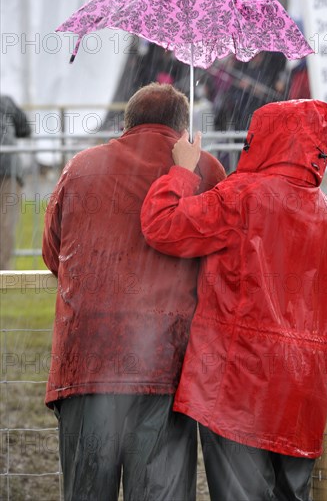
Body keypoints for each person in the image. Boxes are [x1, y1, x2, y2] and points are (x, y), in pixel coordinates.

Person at [141, 99, 327, 501]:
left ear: (266, 139)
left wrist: (182, 170)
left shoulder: (242, 196)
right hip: (302, 389)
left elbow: (162, 225)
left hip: (239, 386)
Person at [42, 83, 225, 501]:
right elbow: (220, 261)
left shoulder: (81, 166)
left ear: (127, 123)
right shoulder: (207, 172)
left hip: (85, 361)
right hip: (164, 365)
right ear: (182, 130)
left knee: (87, 491)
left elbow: (52, 251)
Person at [0, 95, 31, 270]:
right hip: (9, 168)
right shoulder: (5, 101)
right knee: (5, 222)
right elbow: (25, 129)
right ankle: (3, 271)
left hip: (8, 168)